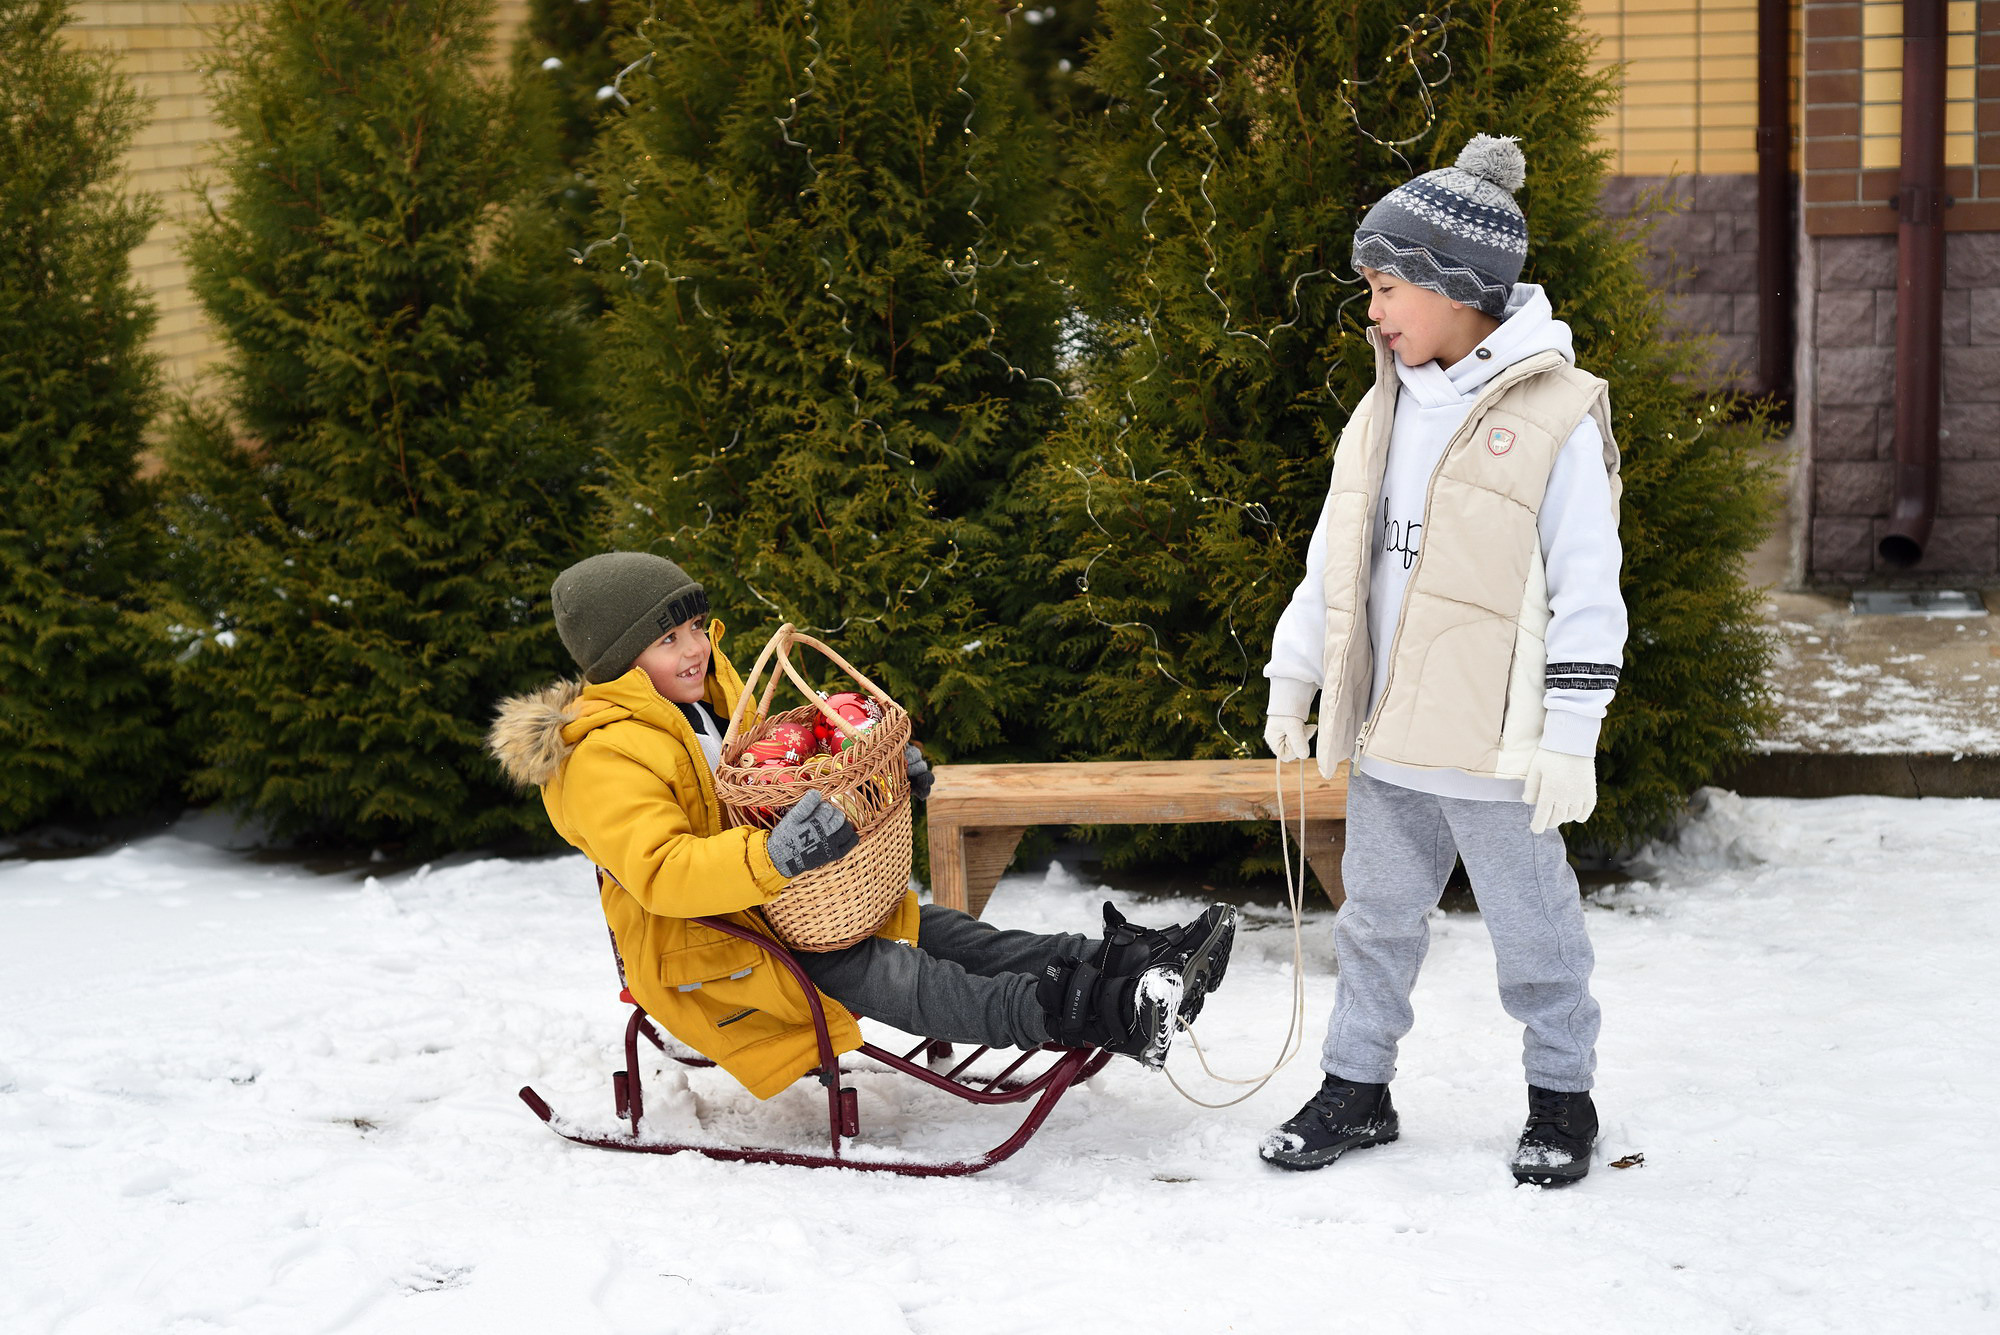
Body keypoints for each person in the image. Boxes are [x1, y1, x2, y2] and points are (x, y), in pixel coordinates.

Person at [488, 551, 1236, 1101]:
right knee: (898, 971)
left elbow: (788, 776)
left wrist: (875, 775)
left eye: (694, 628)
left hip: (794, 904)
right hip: (718, 946)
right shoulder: (604, 755)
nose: (694, 648)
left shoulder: (713, 701)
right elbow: (663, 869)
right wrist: (775, 853)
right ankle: (1098, 1011)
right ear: (621, 661)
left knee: (951, 934)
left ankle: (1133, 966)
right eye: (668, 639)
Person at [1258, 135, 1627, 1186]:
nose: (1370, 310)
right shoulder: (1379, 411)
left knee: (1535, 938)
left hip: (1497, 754)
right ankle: (1354, 1087)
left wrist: (1570, 737)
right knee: (1372, 926)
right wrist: (1296, 676)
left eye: (1383, 286)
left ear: (1453, 286)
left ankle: (1562, 1099)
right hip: (1388, 741)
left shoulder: (1555, 416)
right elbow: (1333, 560)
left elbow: (1587, 590)